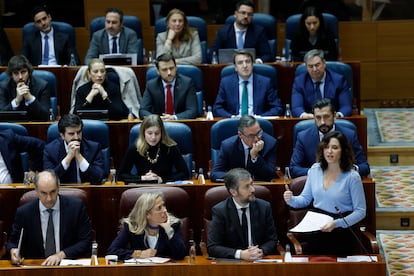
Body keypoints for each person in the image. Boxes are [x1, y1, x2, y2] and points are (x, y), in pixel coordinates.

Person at [284, 131, 366, 255]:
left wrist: (337, 224)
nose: (329, 151)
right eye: (326, 147)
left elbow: (360, 211)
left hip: (343, 229)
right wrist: (291, 199)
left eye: (335, 148)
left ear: (343, 151)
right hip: (318, 227)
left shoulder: (352, 177)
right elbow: (305, 199)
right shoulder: (315, 170)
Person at [7, 170, 92, 266]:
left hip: (66, 266)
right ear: (36, 190)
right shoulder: (24, 212)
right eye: (44, 193)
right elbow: (12, 242)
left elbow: (86, 241)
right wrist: (13, 251)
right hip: (37, 267)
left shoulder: (76, 207)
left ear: (58, 188)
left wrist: (61, 255)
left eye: (52, 192)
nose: (49, 198)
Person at [207, 168, 277, 261]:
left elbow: (272, 240)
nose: (253, 189)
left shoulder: (264, 207)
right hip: (233, 265)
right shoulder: (221, 211)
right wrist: (240, 254)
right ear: (233, 192)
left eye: (252, 184)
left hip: (259, 261)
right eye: (247, 186)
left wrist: (261, 251)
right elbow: (213, 247)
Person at [290, 98, 370, 178]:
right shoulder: (303, 137)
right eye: (318, 117)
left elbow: (364, 167)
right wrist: (318, 172)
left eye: (326, 117)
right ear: (313, 117)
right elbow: (294, 169)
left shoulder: (349, 135)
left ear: (334, 115)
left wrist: (348, 170)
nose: (322, 122)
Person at [106, 191, 186, 260]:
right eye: (159, 208)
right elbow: (112, 251)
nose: (165, 210)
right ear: (147, 214)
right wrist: (138, 254)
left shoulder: (173, 225)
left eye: (164, 205)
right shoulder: (132, 226)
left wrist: (168, 230)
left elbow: (180, 255)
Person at [119, 114, 189, 184]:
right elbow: (121, 175)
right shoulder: (134, 148)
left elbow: (185, 173)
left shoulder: (170, 147)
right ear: (143, 133)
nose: (153, 137)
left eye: (157, 133)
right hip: (142, 188)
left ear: (162, 133)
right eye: (150, 133)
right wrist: (143, 178)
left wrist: (162, 179)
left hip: (166, 188)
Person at [213, 50, 283, 117]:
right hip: (234, 123)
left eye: (248, 62)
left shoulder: (265, 82)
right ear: (235, 67)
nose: (245, 65)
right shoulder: (226, 83)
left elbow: (277, 108)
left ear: (252, 64)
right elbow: (217, 108)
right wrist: (232, 117)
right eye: (240, 63)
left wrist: (260, 117)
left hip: (258, 123)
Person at [211, 115, 277, 182]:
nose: (257, 139)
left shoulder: (270, 143)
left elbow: (270, 175)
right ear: (240, 135)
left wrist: (255, 157)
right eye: (251, 136)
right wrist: (239, 179)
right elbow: (215, 173)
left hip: (259, 186)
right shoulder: (228, 146)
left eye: (259, 133)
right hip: (236, 188)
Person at [43, 114, 105, 184]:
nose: (76, 137)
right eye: (71, 134)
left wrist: (79, 157)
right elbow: (48, 180)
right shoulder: (50, 150)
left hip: (88, 191)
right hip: (62, 191)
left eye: (79, 132)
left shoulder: (94, 148)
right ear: (62, 135)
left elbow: (99, 177)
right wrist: (68, 158)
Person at [291, 49, 352, 118]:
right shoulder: (299, 82)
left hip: (333, 121)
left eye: (317, 65)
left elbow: (346, 107)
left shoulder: (338, 80)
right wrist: (305, 115)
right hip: (310, 122)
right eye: (310, 66)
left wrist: (337, 115)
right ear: (306, 67)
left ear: (324, 63)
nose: (314, 69)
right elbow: (296, 108)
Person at [139, 53, 197, 120]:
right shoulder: (151, 85)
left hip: (180, 123)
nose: (169, 73)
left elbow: (192, 111)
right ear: (158, 71)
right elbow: (142, 111)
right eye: (164, 70)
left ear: (176, 68)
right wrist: (157, 119)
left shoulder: (187, 83)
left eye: (171, 68)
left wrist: (173, 117)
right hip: (159, 125)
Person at [0, 55, 51, 121]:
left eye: (23, 72)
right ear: (11, 75)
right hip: (12, 127)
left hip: (37, 127)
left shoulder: (42, 86)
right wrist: (16, 101)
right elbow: (1, 116)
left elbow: (46, 117)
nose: (20, 77)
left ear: (29, 72)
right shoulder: (3, 86)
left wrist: (30, 98)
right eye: (16, 73)